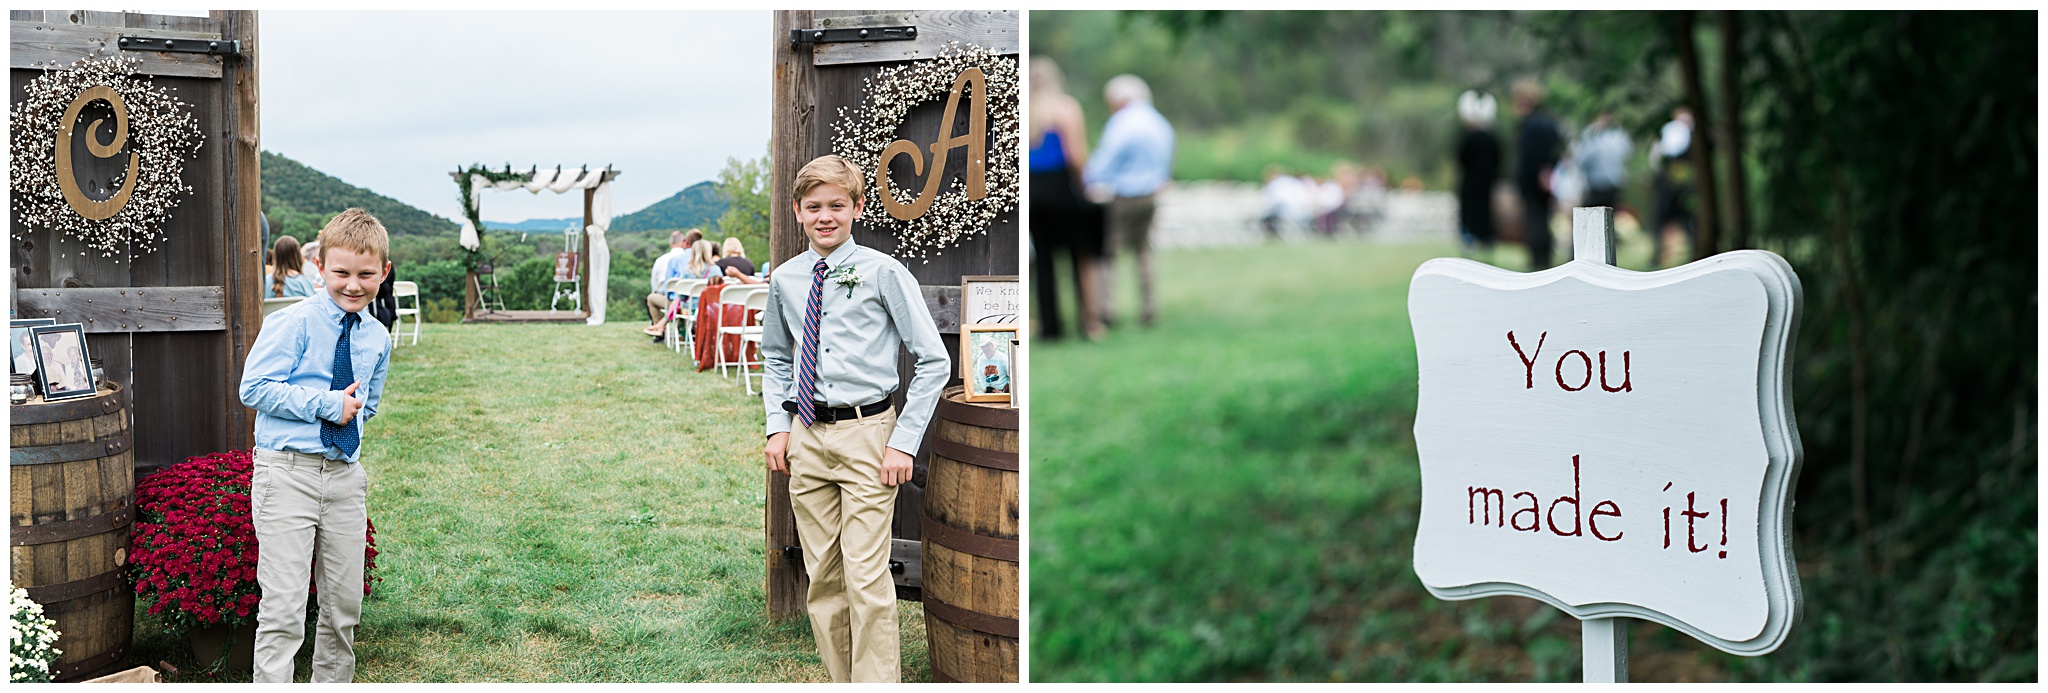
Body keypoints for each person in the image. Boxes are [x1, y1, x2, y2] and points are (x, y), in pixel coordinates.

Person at [759, 155, 948, 683]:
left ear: (857, 208)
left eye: (836, 206)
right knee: (823, 576)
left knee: (865, 577)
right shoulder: (786, 279)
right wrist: (779, 426)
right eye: (814, 206)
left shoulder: (883, 273)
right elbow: (776, 356)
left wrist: (903, 442)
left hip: (869, 436)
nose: (825, 216)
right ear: (797, 211)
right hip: (807, 436)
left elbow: (934, 359)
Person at [237, 208, 392, 684]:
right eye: (341, 272)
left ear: (383, 273)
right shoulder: (295, 323)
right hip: (287, 475)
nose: (353, 284)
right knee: (283, 609)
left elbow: (366, 407)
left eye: (366, 274)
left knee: (344, 606)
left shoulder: (378, 337)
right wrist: (325, 405)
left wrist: (346, 421)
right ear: (319, 267)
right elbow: (254, 388)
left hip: (344, 478)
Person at [1083, 73, 1174, 328]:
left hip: (1123, 196)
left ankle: (1106, 309)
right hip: (1151, 195)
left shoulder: (1122, 123)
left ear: (1120, 100)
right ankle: (1148, 307)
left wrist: (1087, 179)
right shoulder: (1160, 123)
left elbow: (1105, 162)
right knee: (1144, 251)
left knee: (1108, 252)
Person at [1027, 56, 1106, 341]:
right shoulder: (1065, 107)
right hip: (1062, 187)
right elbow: (1075, 155)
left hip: (1034, 192)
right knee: (1078, 255)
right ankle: (1089, 322)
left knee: (1045, 260)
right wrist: (1084, 185)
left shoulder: (1025, 111)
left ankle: (1051, 328)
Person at [1513, 79, 1564, 270]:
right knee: (1544, 220)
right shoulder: (1548, 122)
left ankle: (1539, 261)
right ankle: (1544, 259)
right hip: (1548, 182)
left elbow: (1529, 157)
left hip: (1535, 183)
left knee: (1536, 223)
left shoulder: (1530, 125)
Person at [1455, 90, 1503, 257]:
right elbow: (1499, 160)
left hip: (1470, 184)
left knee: (1470, 213)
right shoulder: (1492, 138)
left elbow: (1461, 159)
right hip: (1487, 183)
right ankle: (1486, 239)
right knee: (1485, 212)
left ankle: (1471, 239)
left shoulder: (1468, 138)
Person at [1649, 106, 1696, 268]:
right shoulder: (1675, 130)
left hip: (1681, 185)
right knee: (1667, 218)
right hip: (1671, 183)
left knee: (1684, 219)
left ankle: (1695, 250)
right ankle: (1660, 254)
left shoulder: (1686, 132)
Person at [643, 230, 691, 337]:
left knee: (651, 298)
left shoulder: (661, 260)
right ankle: (682, 331)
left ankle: (660, 329)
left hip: (673, 301)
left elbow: (654, 285)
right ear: (684, 242)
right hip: (692, 300)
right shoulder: (692, 259)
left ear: (670, 244)